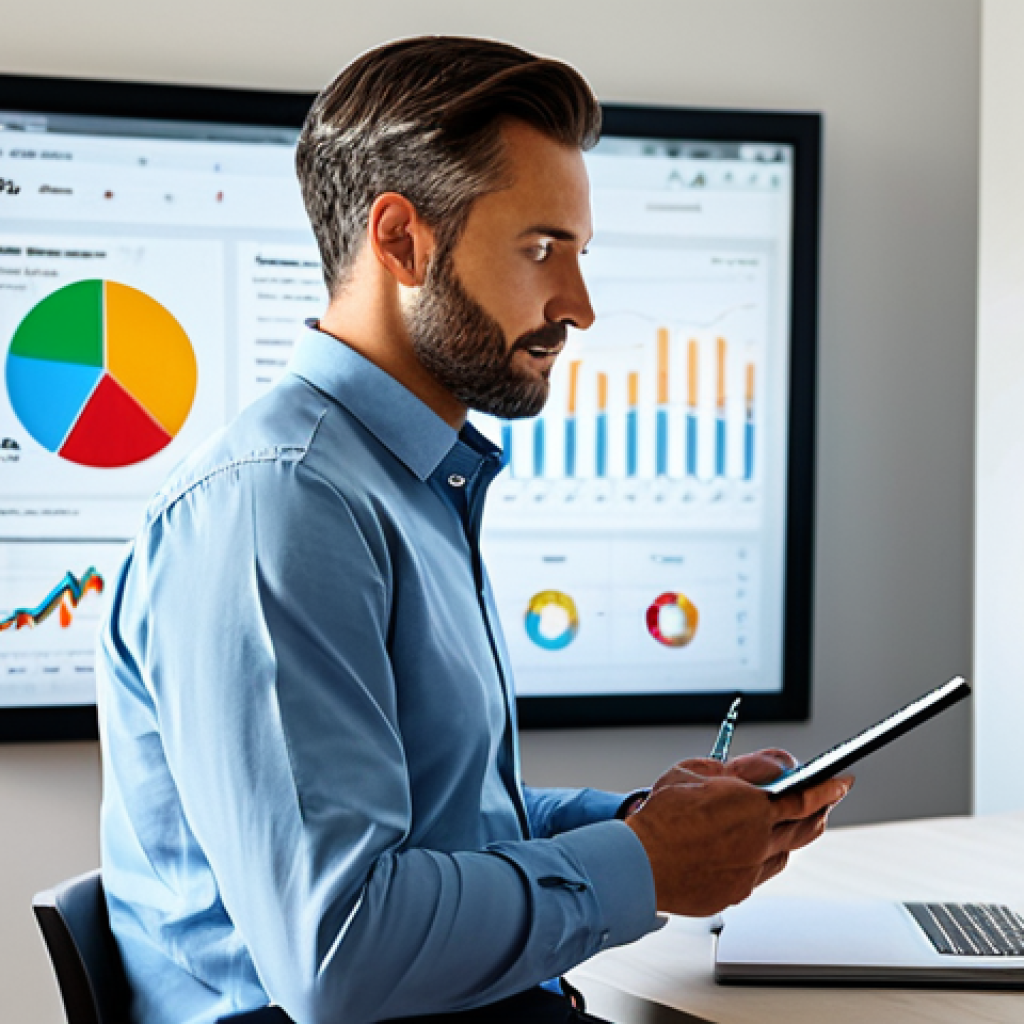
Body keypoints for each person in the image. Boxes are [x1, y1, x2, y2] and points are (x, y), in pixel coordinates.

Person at [97, 36, 850, 1024]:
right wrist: (647, 863)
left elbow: (443, 830)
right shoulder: (281, 506)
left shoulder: (403, 485)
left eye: (579, 256)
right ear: (402, 240)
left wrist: (639, 824)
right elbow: (339, 949)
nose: (578, 306)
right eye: (542, 250)